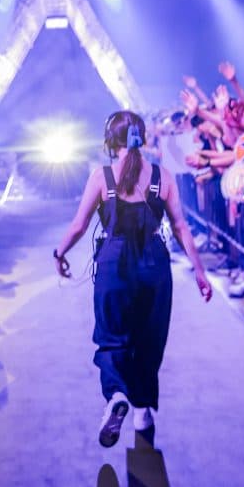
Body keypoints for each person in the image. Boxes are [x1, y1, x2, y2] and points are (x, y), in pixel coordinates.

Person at [54, 110, 211, 448]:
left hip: (113, 264)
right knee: (149, 339)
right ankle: (142, 409)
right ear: (144, 137)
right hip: (154, 265)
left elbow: (79, 225)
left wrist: (60, 253)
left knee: (111, 338)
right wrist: (200, 272)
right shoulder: (162, 176)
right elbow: (181, 226)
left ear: (110, 141)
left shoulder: (101, 177)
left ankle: (116, 396)